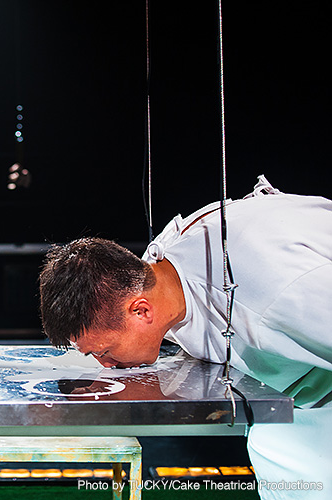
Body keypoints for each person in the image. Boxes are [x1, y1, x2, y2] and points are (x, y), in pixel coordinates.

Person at [38, 176, 332, 499]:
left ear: (141, 312)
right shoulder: (155, 275)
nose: (105, 365)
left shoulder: (277, 292)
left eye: (105, 350)